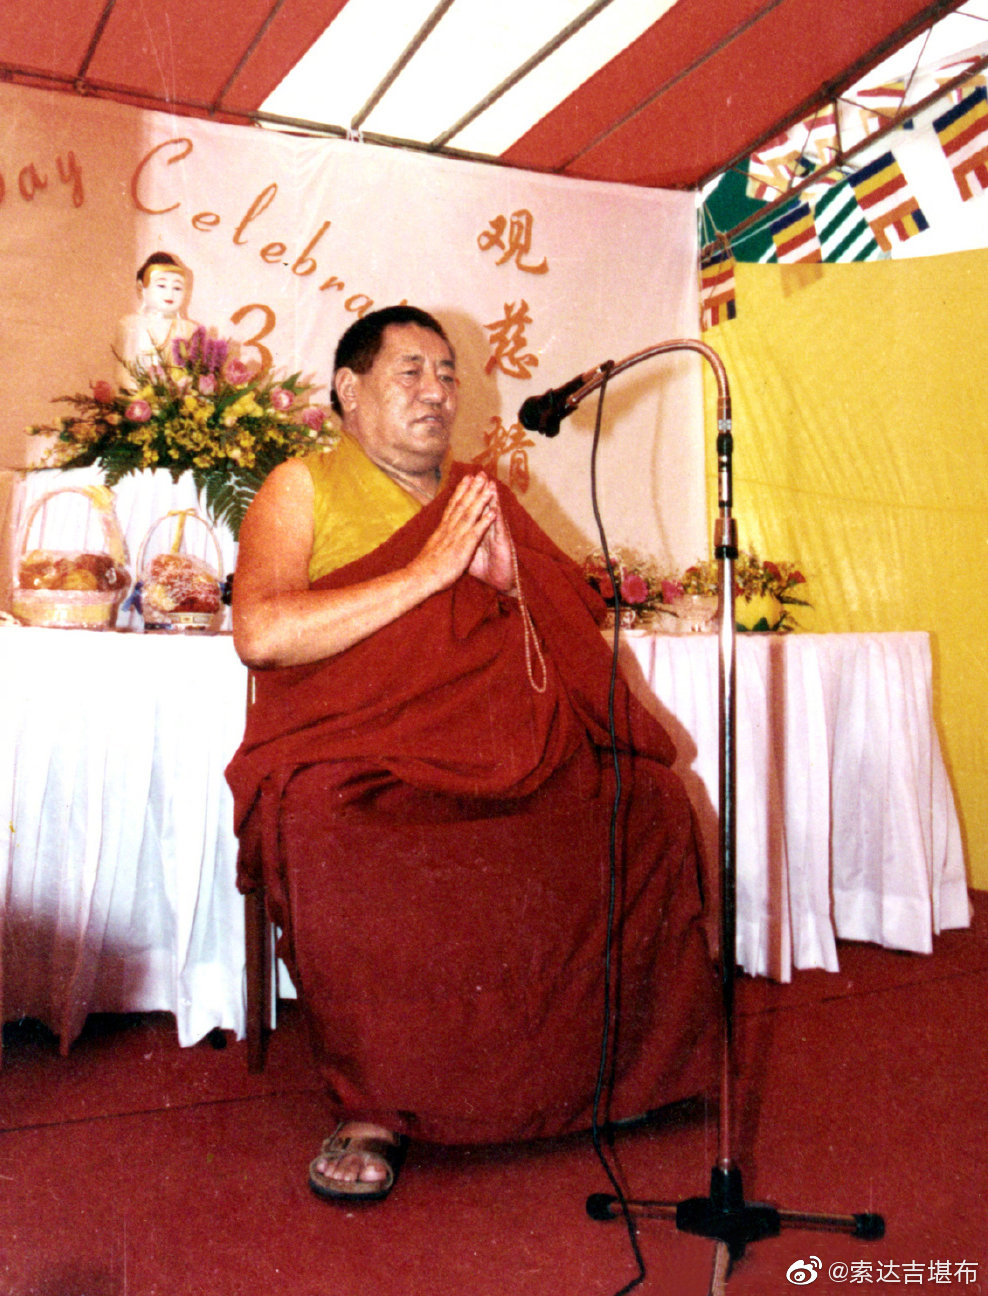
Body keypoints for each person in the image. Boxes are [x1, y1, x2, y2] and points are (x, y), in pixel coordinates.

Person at [227, 305, 717, 1203]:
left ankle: (619, 1077)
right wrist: (427, 574)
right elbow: (261, 632)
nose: (438, 391)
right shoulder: (302, 486)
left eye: (449, 374)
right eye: (411, 371)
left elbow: (562, 627)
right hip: (361, 754)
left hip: (499, 744)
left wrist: (512, 584)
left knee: (645, 801)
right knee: (332, 826)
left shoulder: (479, 493)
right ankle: (375, 1106)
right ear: (349, 390)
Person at [114, 252, 199, 389]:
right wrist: (143, 396)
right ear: (141, 288)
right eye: (161, 286)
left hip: (178, 399)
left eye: (177, 288)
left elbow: (195, 374)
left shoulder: (190, 329)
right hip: (137, 398)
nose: (170, 294)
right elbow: (122, 373)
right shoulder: (130, 325)